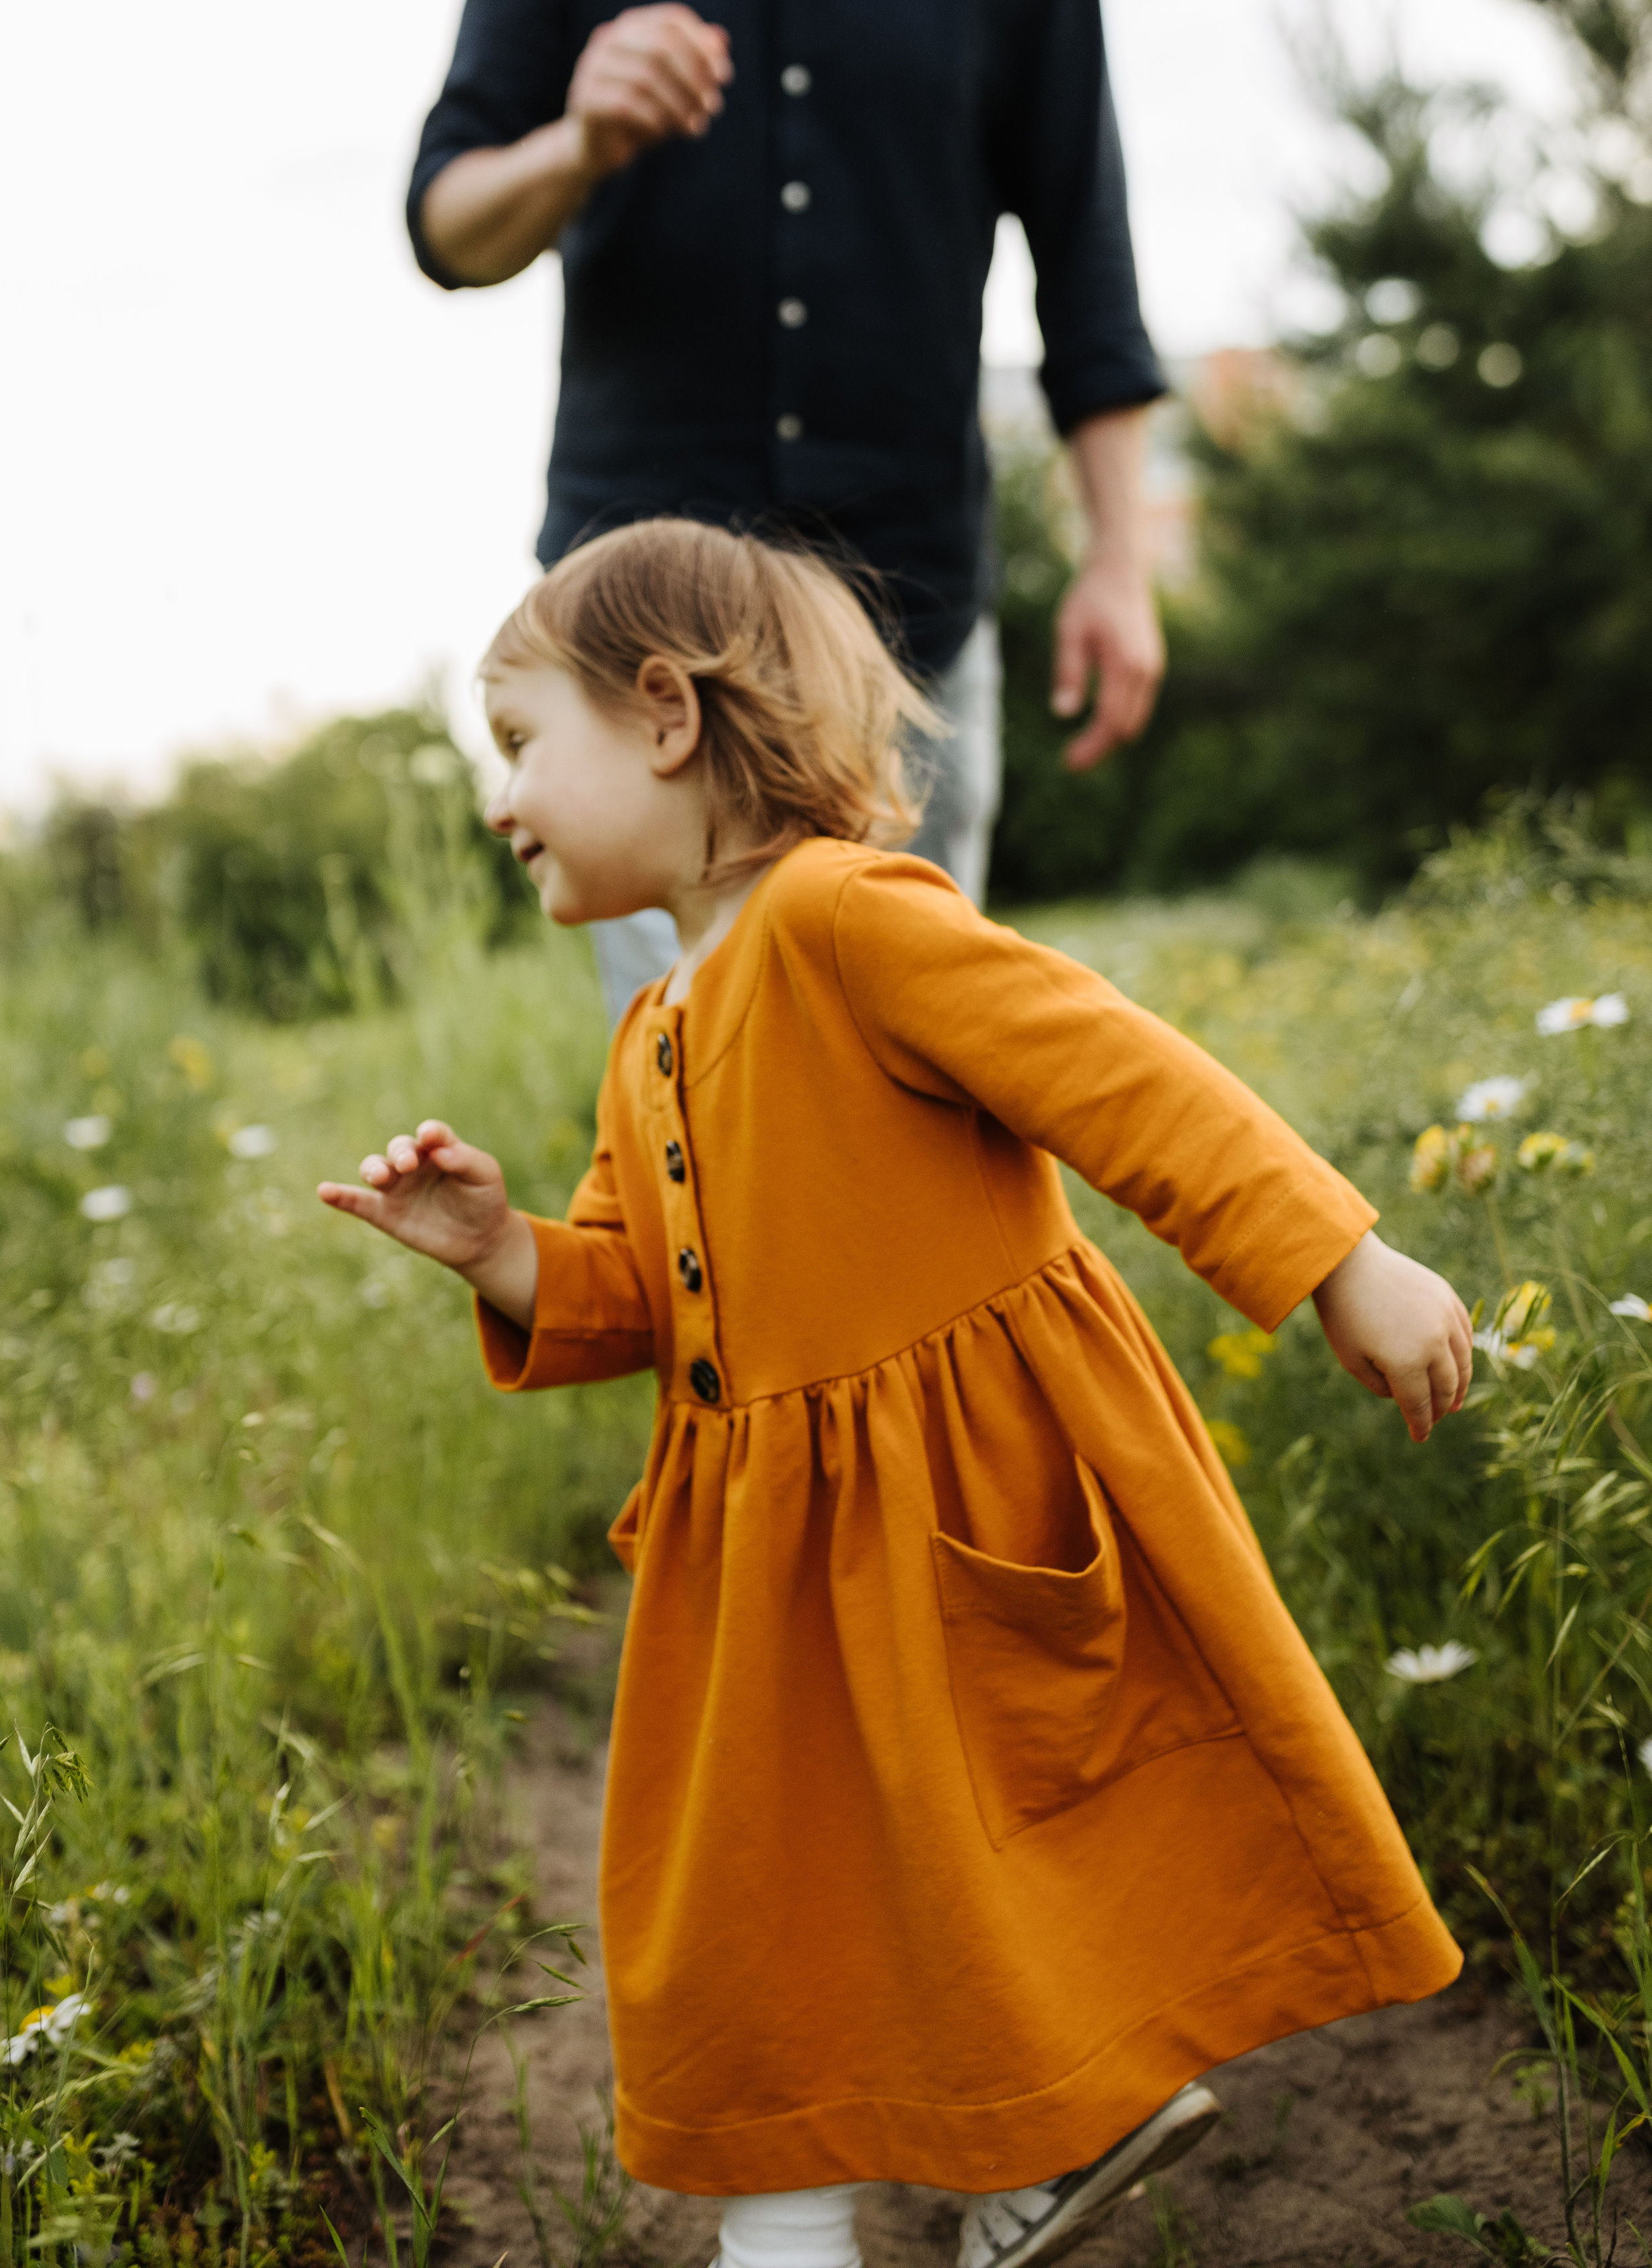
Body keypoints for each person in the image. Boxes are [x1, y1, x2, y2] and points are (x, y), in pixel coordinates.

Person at [319, 521, 1468, 2266]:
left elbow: (1123, 1083)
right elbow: (651, 1286)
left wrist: (1338, 1257)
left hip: (946, 1506)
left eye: (519, 745)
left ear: (664, 714)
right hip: (763, 1556)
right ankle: (920, 2187)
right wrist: (502, 1252)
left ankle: (1028, 2133)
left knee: (959, 1852)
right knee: (770, 1909)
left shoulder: (849, 919)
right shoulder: (653, 1036)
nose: (502, 803)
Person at [406, 0, 1168, 1016]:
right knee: (695, 1099)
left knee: (919, 1075)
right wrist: (576, 140)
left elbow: (1082, 252)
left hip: (904, 614)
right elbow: (448, 228)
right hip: (634, 649)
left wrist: (1117, 558)